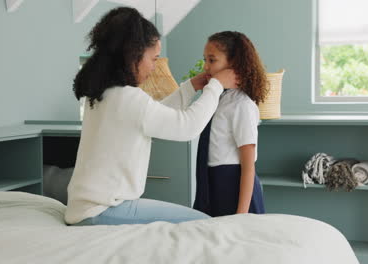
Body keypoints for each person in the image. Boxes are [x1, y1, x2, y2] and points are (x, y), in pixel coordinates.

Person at [65, 7, 239, 226]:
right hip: (102, 211)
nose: (154, 67)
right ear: (134, 55)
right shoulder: (127, 97)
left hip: (85, 209)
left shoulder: (105, 93)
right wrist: (215, 86)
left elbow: (151, 115)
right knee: (202, 223)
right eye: (154, 58)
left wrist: (189, 88)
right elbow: (187, 127)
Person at [193, 31, 268, 217]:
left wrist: (241, 214)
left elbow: (248, 166)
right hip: (212, 183)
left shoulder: (241, 105)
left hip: (233, 187)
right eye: (205, 60)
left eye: (212, 60)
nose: (206, 66)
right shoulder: (217, 99)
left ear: (233, 63)